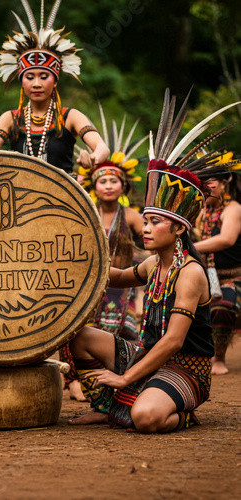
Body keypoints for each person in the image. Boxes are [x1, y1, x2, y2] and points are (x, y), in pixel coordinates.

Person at [66, 90, 239, 433]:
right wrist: (79, 258)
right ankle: (104, 407)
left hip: (184, 368)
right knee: (80, 336)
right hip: (146, 355)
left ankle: (170, 407)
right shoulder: (152, 265)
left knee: (146, 419)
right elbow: (113, 277)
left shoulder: (189, 273)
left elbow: (174, 342)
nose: (145, 229)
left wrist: (125, 377)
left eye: (154, 222)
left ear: (178, 228)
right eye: (144, 221)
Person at [59, 109, 147, 400]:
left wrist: (142, 291)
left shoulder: (133, 216)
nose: (108, 185)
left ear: (124, 185)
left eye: (113, 181)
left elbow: (151, 250)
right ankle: (77, 382)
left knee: (129, 333)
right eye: (102, 181)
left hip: (122, 289)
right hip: (88, 286)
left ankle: (125, 383)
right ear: (94, 187)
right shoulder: (86, 213)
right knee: (74, 333)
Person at [0, 0, 110, 172]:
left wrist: (94, 157)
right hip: (18, 196)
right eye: (29, 77)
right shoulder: (10, 119)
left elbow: (103, 148)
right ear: (22, 82)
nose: (36, 84)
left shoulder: (70, 117)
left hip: (63, 197)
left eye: (44, 77)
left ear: (55, 81)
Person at [194, 151, 241, 375]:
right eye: (201, 182)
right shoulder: (202, 211)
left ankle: (219, 357)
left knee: (223, 304)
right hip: (206, 275)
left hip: (235, 276)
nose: (205, 186)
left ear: (224, 183)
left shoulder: (234, 209)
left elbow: (226, 239)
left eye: (210, 182)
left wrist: (192, 247)